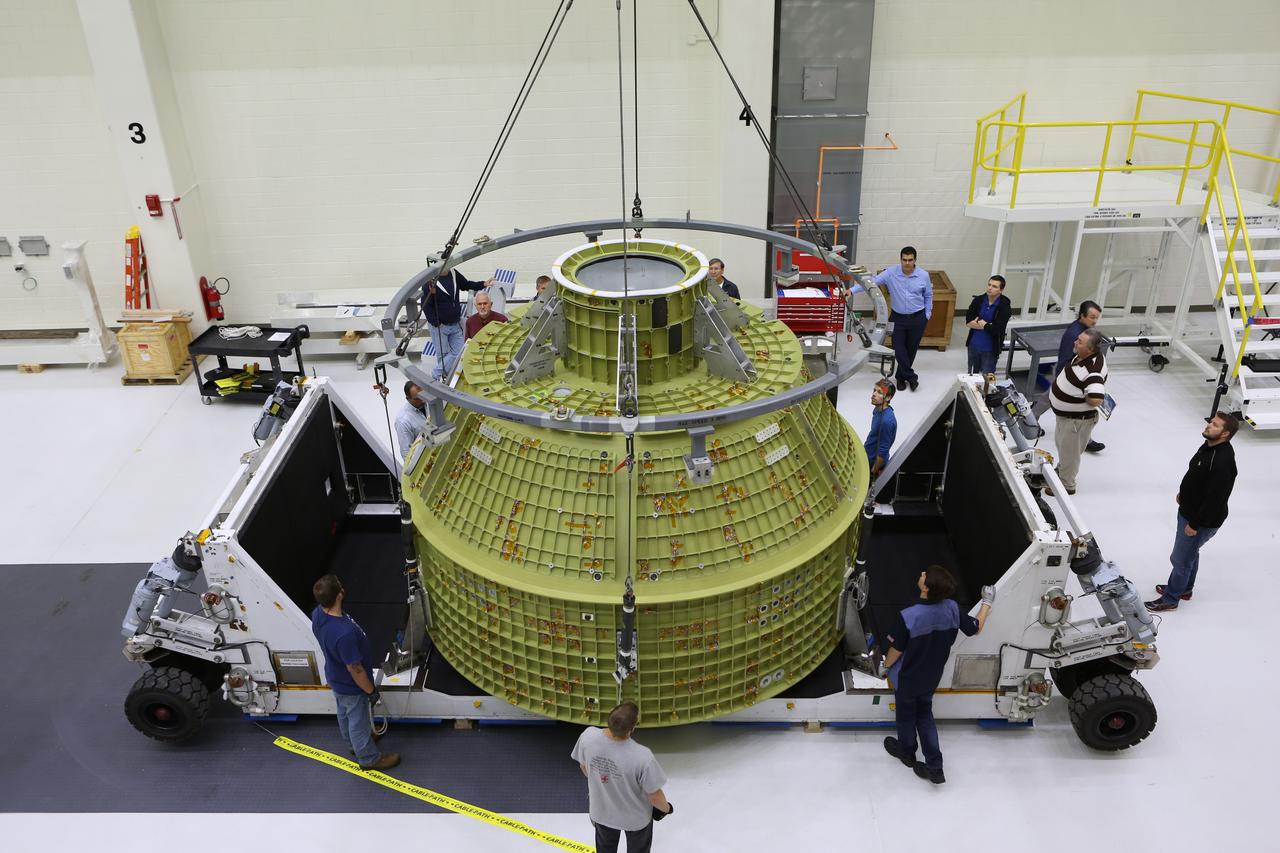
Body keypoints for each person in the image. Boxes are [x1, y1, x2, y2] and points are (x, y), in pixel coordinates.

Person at [882, 565, 992, 784]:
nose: (921, 574)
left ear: (926, 588)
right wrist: (987, 602)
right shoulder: (951, 608)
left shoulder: (909, 617)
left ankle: (906, 751)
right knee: (925, 715)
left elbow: (896, 651)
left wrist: (885, 666)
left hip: (907, 678)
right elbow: (975, 627)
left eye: (924, 575)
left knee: (906, 716)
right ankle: (935, 767)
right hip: (932, 675)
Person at [1145, 412, 1239, 612]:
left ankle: (1171, 598)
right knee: (1189, 554)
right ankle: (1185, 589)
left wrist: (1195, 524)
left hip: (1200, 520)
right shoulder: (1209, 446)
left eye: (1215, 425)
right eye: (1211, 422)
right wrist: (1183, 494)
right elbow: (1196, 475)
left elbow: (1216, 499)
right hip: (1190, 511)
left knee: (1180, 560)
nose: (1209, 426)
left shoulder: (1222, 461)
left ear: (1225, 434)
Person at [311, 574, 400, 771]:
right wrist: (370, 690)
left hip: (335, 678)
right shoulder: (344, 634)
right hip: (351, 686)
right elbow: (355, 669)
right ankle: (368, 758)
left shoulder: (318, 614)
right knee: (357, 721)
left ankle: (353, 745)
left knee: (343, 714)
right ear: (339, 595)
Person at [572, 701, 672, 853]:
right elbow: (654, 796)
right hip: (635, 820)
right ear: (632, 728)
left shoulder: (588, 737)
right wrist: (667, 808)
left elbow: (584, 767)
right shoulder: (643, 756)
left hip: (601, 812)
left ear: (609, 717)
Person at [1046, 327, 1107, 496]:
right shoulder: (1084, 356)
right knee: (1064, 447)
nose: (1075, 342)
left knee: (1070, 454)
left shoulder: (1092, 370)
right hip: (1068, 418)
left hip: (1077, 421)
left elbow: (1096, 398)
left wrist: (1085, 399)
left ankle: (1067, 485)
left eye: (1079, 342)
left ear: (1090, 349)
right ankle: (1061, 471)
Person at [874, 246, 931, 392]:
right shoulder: (891, 273)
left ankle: (901, 377)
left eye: (910, 260)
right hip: (897, 318)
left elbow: (928, 296)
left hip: (918, 318)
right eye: (904, 260)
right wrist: (852, 290)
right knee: (898, 349)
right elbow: (872, 282)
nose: (907, 263)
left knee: (911, 350)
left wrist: (927, 314)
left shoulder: (923, 275)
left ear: (915, 260)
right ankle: (911, 377)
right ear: (900, 259)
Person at [421, 267, 492, 381]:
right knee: (442, 354)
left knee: (460, 351)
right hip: (439, 327)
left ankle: (436, 373)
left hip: (454, 323)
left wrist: (483, 284)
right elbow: (425, 305)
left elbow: (466, 284)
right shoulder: (429, 282)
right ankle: (444, 379)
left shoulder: (453, 273)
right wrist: (437, 323)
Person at [1055, 301, 1105, 453]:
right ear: (1081, 315)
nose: (1095, 321)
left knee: (1047, 398)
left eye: (1097, 318)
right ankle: (1087, 440)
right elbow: (1072, 359)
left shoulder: (1080, 328)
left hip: (1064, 375)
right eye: (1092, 317)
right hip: (1069, 377)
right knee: (1083, 410)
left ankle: (1030, 419)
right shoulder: (1077, 335)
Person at [963, 275, 1012, 375]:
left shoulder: (1005, 307)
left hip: (990, 349)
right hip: (973, 345)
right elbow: (968, 322)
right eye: (989, 284)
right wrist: (987, 325)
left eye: (994, 286)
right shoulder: (978, 301)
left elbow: (997, 330)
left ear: (1001, 290)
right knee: (972, 375)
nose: (990, 288)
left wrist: (979, 321)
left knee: (987, 377)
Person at [864, 378, 897, 478]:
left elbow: (883, 451)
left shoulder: (886, 421)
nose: (874, 394)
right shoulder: (877, 409)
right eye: (874, 390)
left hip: (873, 463)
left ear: (888, 398)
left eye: (879, 392)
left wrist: (873, 471)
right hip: (868, 453)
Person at [394, 381, 427, 462]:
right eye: (417, 399)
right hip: (424, 458)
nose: (422, 400)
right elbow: (407, 455)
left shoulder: (427, 402)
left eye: (423, 396)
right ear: (408, 399)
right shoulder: (403, 421)